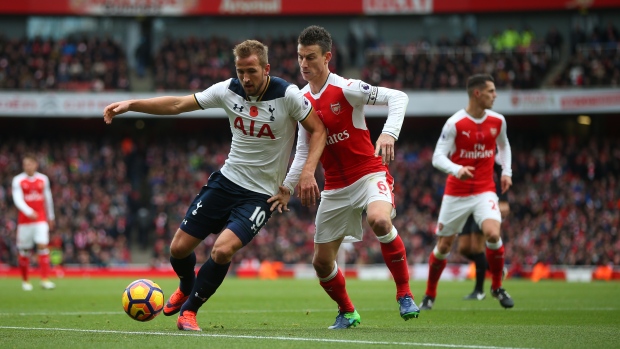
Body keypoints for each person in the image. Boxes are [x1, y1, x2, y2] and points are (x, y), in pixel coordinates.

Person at [103, 39, 327, 331]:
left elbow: (318, 130)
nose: (245, 78)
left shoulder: (288, 95)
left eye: (252, 71)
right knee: (178, 250)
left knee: (222, 250)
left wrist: (302, 176)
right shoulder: (228, 89)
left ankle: (190, 311)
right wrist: (132, 104)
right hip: (225, 181)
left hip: (260, 196)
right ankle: (187, 284)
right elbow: (177, 104)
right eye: (240, 71)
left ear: (266, 68)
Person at [283, 25, 419, 329]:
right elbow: (303, 151)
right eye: (300, 57)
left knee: (380, 221)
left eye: (310, 57)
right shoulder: (300, 99)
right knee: (321, 263)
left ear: (327, 56)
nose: (303, 64)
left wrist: (388, 133)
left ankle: (404, 294)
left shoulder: (348, 88)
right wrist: (287, 187)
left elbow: (398, 97)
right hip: (334, 186)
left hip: (369, 173)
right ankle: (347, 311)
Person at [420, 74, 514, 310]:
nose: (495, 95)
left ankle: (497, 287)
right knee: (443, 247)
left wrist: (507, 171)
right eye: (491, 91)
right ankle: (429, 295)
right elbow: (437, 157)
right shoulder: (455, 123)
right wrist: (456, 168)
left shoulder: (498, 121)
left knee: (493, 234)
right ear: (477, 93)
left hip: (485, 190)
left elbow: (503, 145)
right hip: (456, 193)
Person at [457, 156, 510, 301]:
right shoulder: (461, 145)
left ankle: (479, 291)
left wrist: (504, 199)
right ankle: (494, 269)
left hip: (483, 200)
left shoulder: (487, 146)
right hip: (463, 200)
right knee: (463, 248)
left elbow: (501, 171)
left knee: (476, 246)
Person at [12, 154, 56, 291]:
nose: (27, 166)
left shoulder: (43, 179)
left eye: (30, 164)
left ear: (35, 165)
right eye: (25, 164)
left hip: (40, 219)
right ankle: (25, 281)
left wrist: (51, 216)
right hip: (25, 221)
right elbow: (17, 199)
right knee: (24, 250)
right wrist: (28, 211)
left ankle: (44, 279)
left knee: (43, 245)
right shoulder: (18, 180)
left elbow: (48, 198)